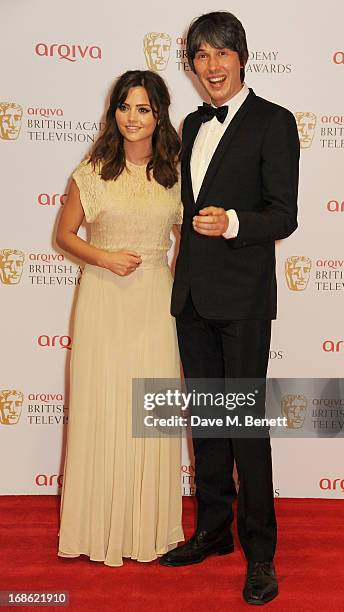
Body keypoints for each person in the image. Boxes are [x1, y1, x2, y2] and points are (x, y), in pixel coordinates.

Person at [159, 12, 300, 606]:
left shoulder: (274, 122)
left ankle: (260, 552)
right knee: (208, 424)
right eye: (201, 56)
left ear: (243, 57)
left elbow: (283, 214)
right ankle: (214, 529)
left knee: (244, 426)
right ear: (190, 65)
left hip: (243, 299)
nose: (212, 66)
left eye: (222, 53)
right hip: (192, 296)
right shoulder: (190, 124)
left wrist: (235, 223)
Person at [56, 70, 184, 566]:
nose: (133, 118)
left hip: (154, 302)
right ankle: (96, 528)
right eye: (125, 107)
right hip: (103, 298)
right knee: (101, 406)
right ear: (114, 113)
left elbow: (185, 243)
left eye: (144, 109)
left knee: (148, 413)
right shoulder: (91, 170)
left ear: (158, 116)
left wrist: (167, 284)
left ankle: (146, 529)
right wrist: (103, 257)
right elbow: (65, 235)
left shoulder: (175, 172)